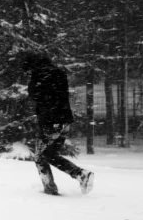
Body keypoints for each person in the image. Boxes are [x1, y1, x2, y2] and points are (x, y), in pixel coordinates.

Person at [20, 51, 94, 196]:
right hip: (64, 120)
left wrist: (33, 80)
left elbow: (34, 95)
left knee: (40, 157)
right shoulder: (58, 72)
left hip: (50, 121)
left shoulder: (40, 75)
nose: (29, 73)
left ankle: (52, 188)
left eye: (28, 70)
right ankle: (80, 175)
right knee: (50, 154)